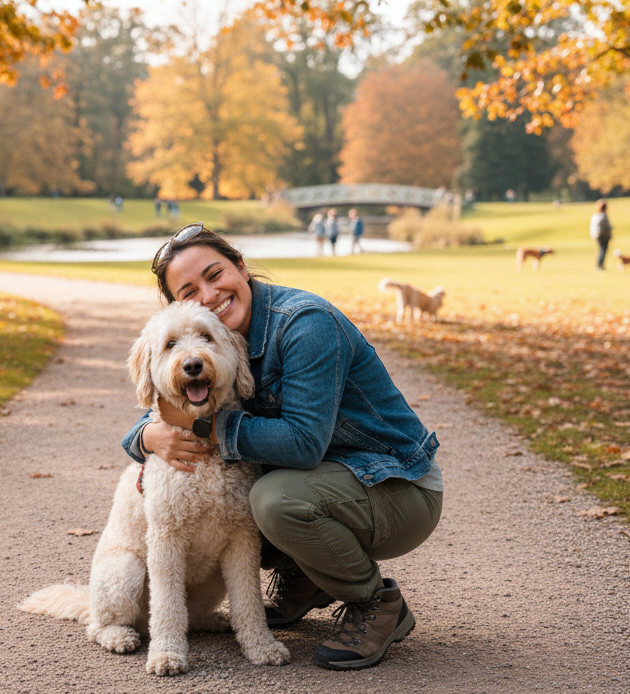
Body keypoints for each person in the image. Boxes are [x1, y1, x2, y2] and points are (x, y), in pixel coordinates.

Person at [122, 224, 443, 671]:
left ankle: (376, 601)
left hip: (395, 485)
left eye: (216, 274)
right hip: (332, 484)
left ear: (240, 266)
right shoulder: (220, 340)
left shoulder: (305, 324)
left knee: (269, 499)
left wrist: (203, 429)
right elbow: (170, 400)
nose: (210, 294)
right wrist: (145, 435)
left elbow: (303, 443)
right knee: (237, 498)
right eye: (190, 290)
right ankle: (309, 578)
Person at [589, 199, 612, 270]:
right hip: (604, 235)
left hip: (597, 235)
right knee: (603, 250)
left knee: (600, 250)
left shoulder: (595, 215)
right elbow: (606, 227)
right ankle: (600, 265)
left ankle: (599, 264)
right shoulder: (603, 216)